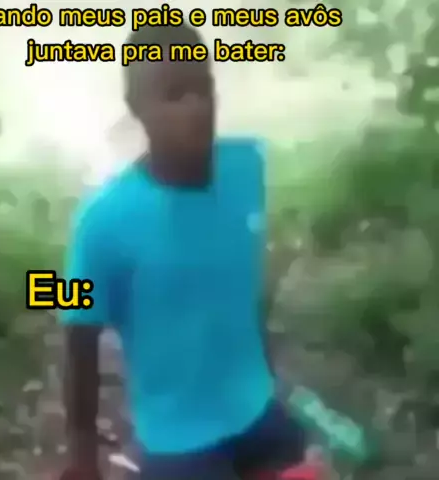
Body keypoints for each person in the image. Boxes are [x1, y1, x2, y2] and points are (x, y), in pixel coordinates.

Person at [60, 23, 305, 480]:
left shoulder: (246, 166)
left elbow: (244, 275)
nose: (196, 107)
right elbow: (77, 333)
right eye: (174, 95)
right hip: (176, 437)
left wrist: (263, 364)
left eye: (203, 88)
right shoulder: (102, 220)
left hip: (254, 406)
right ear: (137, 106)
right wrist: (82, 455)